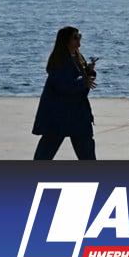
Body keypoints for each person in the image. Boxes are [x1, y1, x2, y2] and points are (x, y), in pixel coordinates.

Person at [32, 26, 98, 160]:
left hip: (78, 115)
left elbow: (79, 85)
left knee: (87, 153)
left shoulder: (78, 57)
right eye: (75, 37)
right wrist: (84, 81)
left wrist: (88, 72)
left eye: (79, 36)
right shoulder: (59, 61)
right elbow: (64, 86)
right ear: (65, 40)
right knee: (45, 153)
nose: (78, 40)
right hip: (58, 115)